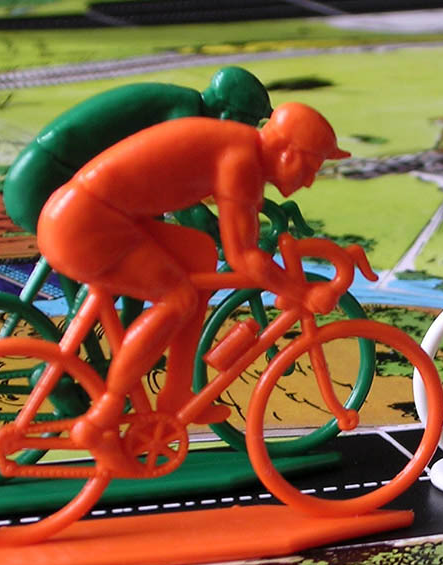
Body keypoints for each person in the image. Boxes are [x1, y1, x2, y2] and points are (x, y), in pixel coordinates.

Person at [36, 103, 350, 441]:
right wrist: (300, 292)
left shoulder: (241, 146)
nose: (310, 181)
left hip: (90, 214)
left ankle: (176, 394)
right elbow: (243, 256)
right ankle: (105, 411)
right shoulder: (241, 161)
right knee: (178, 297)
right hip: (83, 225)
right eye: (312, 167)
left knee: (199, 256)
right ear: (289, 154)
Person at [2, 66, 273, 235]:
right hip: (44, 180)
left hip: (45, 173)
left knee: (147, 238)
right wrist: (216, 231)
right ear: (229, 116)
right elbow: (175, 191)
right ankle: (84, 314)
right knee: (114, 255)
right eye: (249, 126)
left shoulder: (184, 106)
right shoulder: (185, 119)